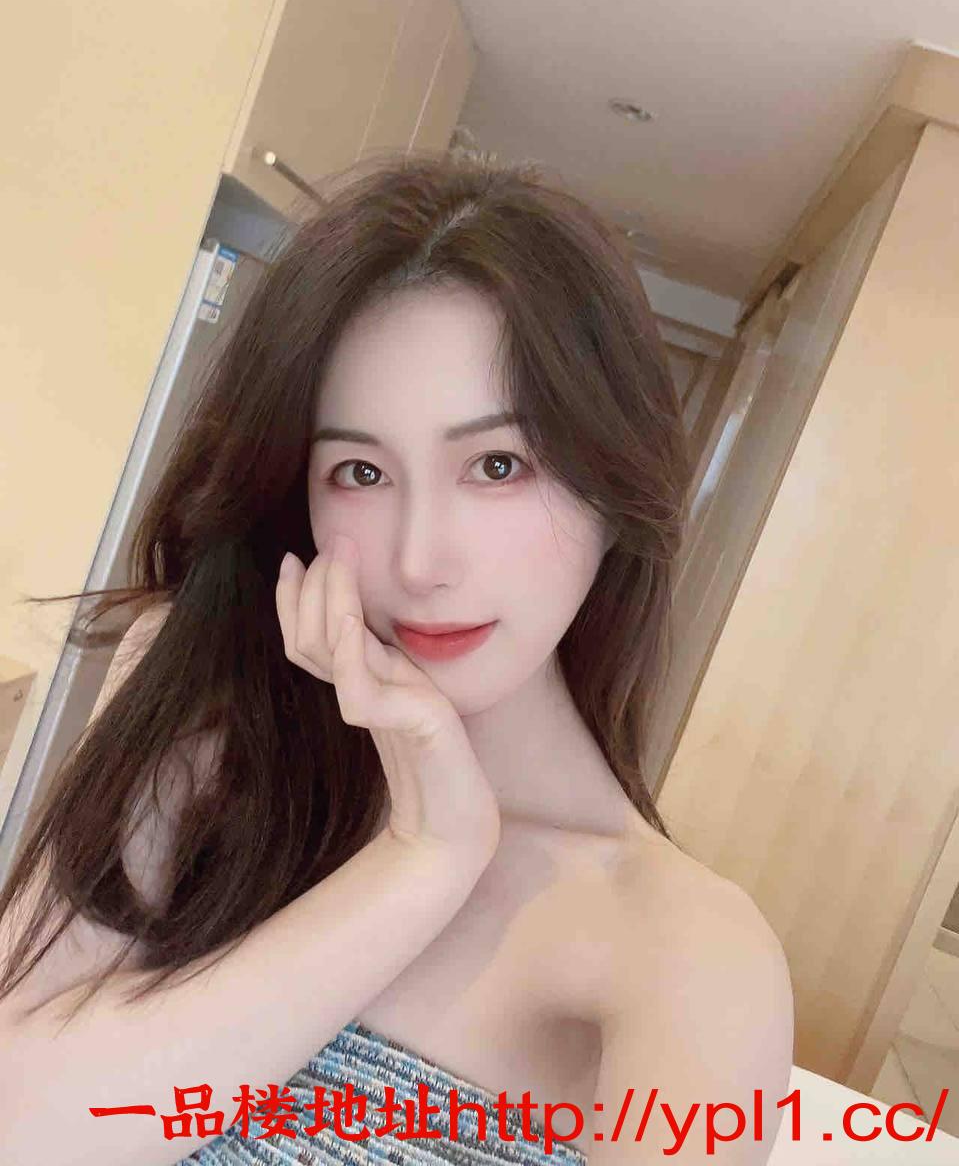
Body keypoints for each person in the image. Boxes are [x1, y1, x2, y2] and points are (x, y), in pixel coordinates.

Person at [0, 150, 793, 1164]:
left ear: (614, 487)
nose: (421, 561)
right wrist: (422, 860)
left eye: (497, 464)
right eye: (360, 471)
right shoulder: (214, 729)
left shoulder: (685, 953)